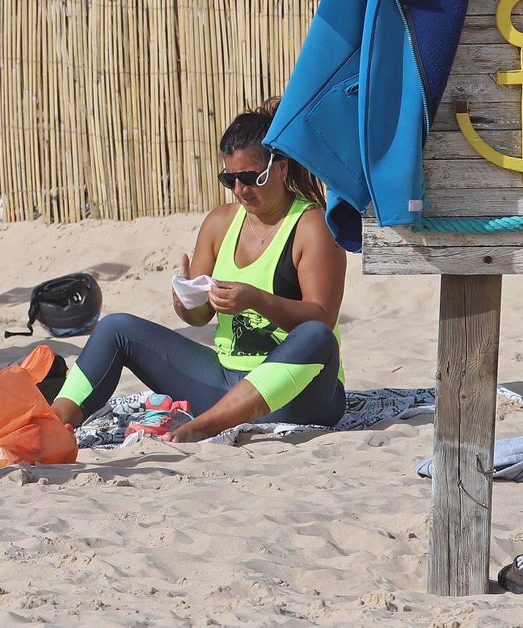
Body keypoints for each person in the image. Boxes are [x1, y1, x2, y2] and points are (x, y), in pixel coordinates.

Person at [50, 100, 347, 442]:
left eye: (250, 178)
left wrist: (255, 300)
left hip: (301, 396)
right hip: (226, 384)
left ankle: (203, 426)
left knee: (317, 337)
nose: (240, 190)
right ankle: (55, 421)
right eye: (229, 179)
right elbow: (198, 316)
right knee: (116, 328)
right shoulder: (220, 224)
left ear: (280, 168)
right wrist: (186, 300)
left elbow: (321, 317)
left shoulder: (311, 226)